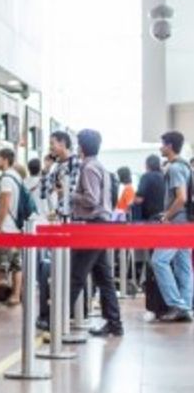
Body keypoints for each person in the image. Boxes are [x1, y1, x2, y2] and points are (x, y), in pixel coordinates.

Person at [68, 129, 123, 337]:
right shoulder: (99, 166)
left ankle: (56, 320)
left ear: (81, 146)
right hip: (102, 224)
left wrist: (71, 195)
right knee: (103, 277)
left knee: (76, 275)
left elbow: (91, 199)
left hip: (93, 224)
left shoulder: (89, 168)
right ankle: (114, 323)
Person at [151, 131, 193, 322]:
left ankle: (177, 305)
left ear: (169, 146)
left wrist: (167, 215)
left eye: (162, 144)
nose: (160, 148)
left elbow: (181, 197)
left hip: (176, 223)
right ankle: (185, 305)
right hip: (186, 222)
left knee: (159, 261)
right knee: (183, 265)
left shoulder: (176, 168)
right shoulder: (185, 166)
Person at [0, 148, 23, 306]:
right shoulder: (17, 176)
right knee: (17, 264)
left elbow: (5, 202)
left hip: (7, 227)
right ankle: (16, 295)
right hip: (17, 226)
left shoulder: (6, 178)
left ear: (4, 159)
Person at [41, 131, 81, 220]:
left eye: (52, 143)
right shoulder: (56, 166)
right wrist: (46, 169)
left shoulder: (75, 163)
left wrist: (63, 192)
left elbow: (74, 191)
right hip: (58, 216)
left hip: (72, 218)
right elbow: (44, 194)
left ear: (62, 143)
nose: (50, 148)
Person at [133, 154, 165, 221]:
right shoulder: (164, 176)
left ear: (147, 165)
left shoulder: (146, 177)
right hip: (164, 216)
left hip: (149, 218)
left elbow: (139, 199)